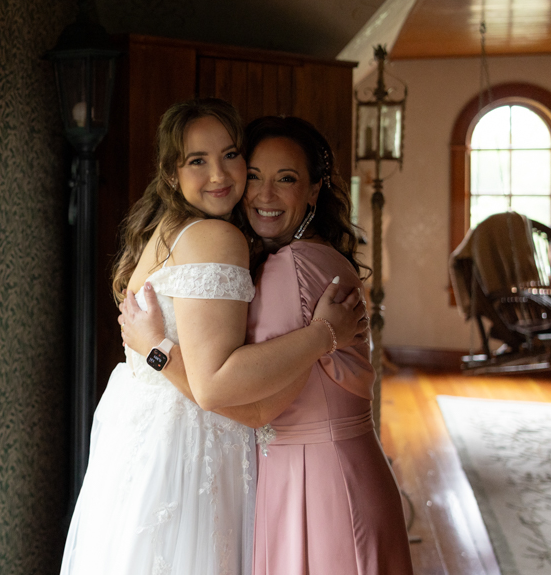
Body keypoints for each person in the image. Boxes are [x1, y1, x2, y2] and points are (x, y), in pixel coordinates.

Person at [60, 100, 366, 575]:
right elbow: (220, 392)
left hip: (141, 449)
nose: (219, 175)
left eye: (230, 155)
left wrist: (156, 350)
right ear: (171, 174)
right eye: (197, 160)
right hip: (189, 451)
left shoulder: (168, 228)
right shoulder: (215, 238)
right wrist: (323, 335)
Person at [120, 115, 413, 575]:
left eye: (286, 179)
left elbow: (250, 406)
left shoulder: (291, 265)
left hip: (318, 483)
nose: (264, 195)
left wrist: (157, 351)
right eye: (254, 176)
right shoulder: (305, 255)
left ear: (314, 191)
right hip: (330, 474)